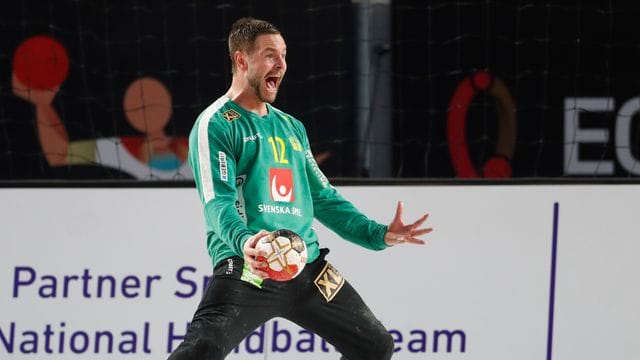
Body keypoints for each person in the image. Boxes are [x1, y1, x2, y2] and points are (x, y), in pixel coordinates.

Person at [169, 17, 432, 360]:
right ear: (241, 60)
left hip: (306, 268)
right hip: (251, 267)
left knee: (375, 344)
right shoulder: (216, 123)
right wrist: (245, 241)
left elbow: (322, 197)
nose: (281, 64)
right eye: (269, 55)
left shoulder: (291, 128)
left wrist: (377, 234)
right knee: (201, 349)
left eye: (284, 55)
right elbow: (217, 202)